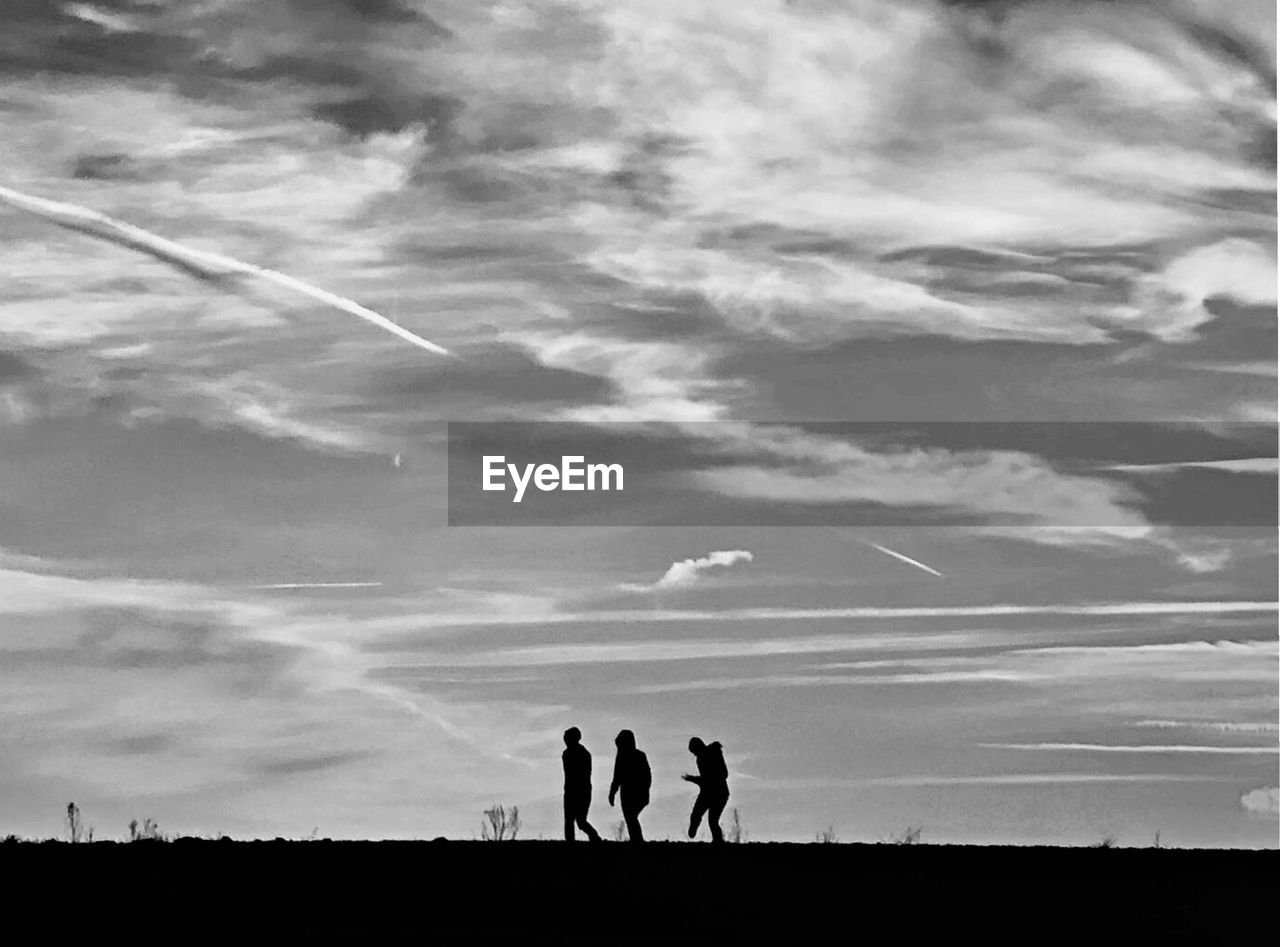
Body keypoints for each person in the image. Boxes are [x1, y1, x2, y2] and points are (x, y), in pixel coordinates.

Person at [683, 737, 730, 843]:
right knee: (698, 816)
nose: (694, 754)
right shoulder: (700, 759)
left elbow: (722, 774)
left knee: (712, 820)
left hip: (718, 793)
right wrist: (695, 779)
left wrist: (693, 779)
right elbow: (705, 780)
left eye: (694, 751)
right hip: (709, 793)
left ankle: (718, 841)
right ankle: (697, 829)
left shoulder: (713, 754)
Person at [608, 729, 651, 843]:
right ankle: (637, 840)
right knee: (631, 818)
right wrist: (612, 792)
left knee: (631, 817)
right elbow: (617, 776)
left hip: (635, 793)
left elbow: (647, 775)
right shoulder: (625, 757)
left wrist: (644, 789)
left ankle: (637, 841)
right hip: (628, 793)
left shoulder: (638, 756)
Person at [561, 727, 601, 842]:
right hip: (572, 790)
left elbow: (582, 773)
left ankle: (595, 837)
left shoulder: (581, 754)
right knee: (570, 821)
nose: (565, 740)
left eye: (567, 738)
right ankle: (572, 843)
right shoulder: (569, 753)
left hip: (581, 790)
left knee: (580, 821)